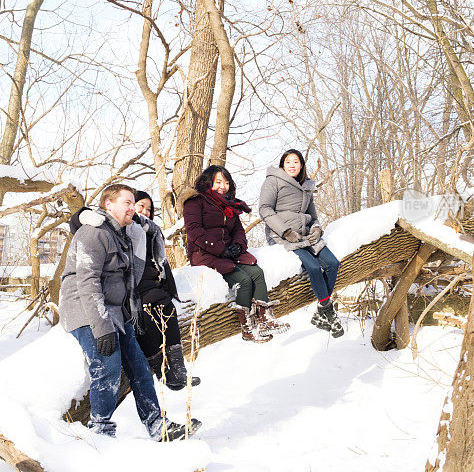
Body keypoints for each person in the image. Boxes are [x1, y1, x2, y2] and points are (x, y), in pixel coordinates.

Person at [60, 184, 200, 441]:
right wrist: (102, 328)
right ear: (108, 205)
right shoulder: (93, 233)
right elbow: (87, 283)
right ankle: (100, 432)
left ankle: (158, 426)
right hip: (84, 309)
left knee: (139, 367)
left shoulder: (123, 235)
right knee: (107, 365)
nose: (133, 208)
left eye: (134, 203)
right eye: (126, 202)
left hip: (115, 312)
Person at [180, 165, 290, 343]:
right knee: (244, 280)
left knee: (256, 272)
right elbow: (194, 231)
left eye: (226, 182)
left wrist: (238, 246)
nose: (223, 186)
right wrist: (219, 249)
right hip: (205, 253)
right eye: (218, 182)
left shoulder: (228, 205)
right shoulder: (195, 201)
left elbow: (239, 231)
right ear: (208, 182)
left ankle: (264, 318)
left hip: (228, 252)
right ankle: (247, 328)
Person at [259, 149, 344, 338]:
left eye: (296, 162)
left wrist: (317, 229)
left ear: (301, 165)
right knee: (313, 268)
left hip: (307, 236)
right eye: (288, 162)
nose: (292, 165)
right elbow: (264, 209)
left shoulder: (307, 186)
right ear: (282, 165)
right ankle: (328, 312)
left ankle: (321, 311)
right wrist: (285, 231)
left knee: (332, 264)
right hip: (282, 235)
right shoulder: (273, 181)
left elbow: (313, 216)